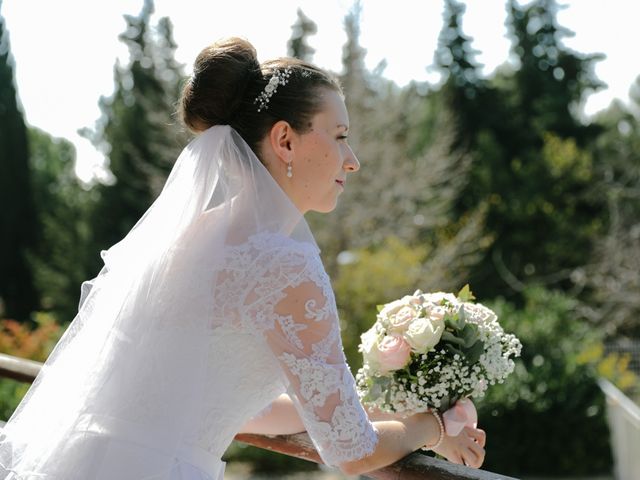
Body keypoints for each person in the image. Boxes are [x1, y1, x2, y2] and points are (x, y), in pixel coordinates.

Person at [0, 37, 485, 479]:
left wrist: (367, 410)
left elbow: (230, 405)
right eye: (339, 136)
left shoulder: (196, 236)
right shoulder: (284, 264)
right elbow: (351, 451)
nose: (352, 158)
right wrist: (434, 426)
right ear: (285, 140)